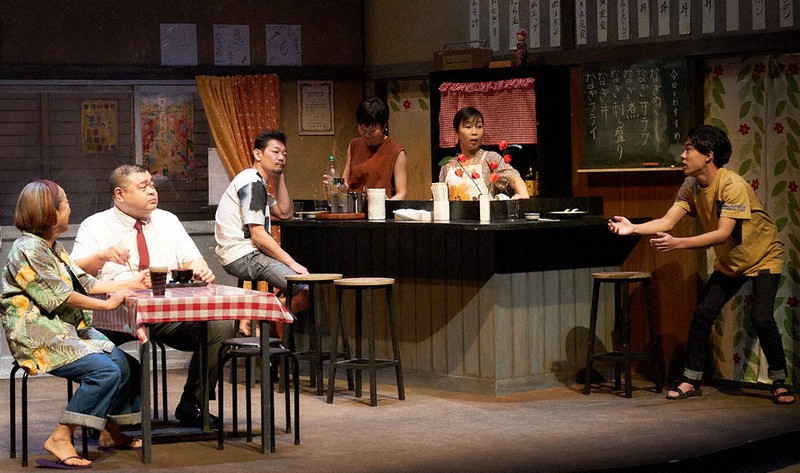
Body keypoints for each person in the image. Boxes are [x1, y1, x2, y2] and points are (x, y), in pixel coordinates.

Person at [608, 124, 794, 404]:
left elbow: (722, 234)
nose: (683, 156)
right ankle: (691, 379)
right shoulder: (691, 185)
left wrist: (677, 244)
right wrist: (633, 228)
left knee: (761, 318)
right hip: (731, 262)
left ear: (708, 155)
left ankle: (779, 381)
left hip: (764, 255)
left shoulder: (732, 186)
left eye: (688, 149)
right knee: (703, 314)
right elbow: (667, 221)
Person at [71, 164, 235, 428]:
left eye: (152, 185)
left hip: (164, 314)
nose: (152, 191)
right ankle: (105, 418)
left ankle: (193, 404)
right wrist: (101, 256)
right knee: (110, 358)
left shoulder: (168, 220)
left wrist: (200, 268)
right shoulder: (95, 225)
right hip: (111, 316)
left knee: (220, 327)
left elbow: (192, 258)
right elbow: (76, 272)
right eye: (143, 186)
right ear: (119, 194)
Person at [1, 180, 147, 468]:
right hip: (39, 336)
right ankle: (60, 436)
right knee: (105, 371)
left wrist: (130, 284)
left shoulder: (52, 247)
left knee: (127, 366)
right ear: (50, 212)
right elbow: (62, 295)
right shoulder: (28, 249)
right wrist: (108, 304)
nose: (70, 208)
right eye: (66, 203)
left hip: (67, 330)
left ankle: (110, 430)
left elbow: (85, 283)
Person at [215, 129, 309, 315]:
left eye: (284, 154)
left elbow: (284, 212)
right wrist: (292, 263)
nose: (281, 157)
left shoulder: (256, 182)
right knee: (304, 289)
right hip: (244, 256)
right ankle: (251, 318)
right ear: (257, 154)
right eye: (275, 152)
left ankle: (253, 318)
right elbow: (258, 235)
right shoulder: (251, 182)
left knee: (302, 287)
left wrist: (279, 177)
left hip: (243, 254)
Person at [439, 107, 529, 201]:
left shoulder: (490, 158)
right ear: (456, 132)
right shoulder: (447, 165)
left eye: (479, 127)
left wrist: (523, 194)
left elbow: (513, 178)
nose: (474, 132)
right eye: (468, 127)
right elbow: (440, 197)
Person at [329, 97, 408, 200]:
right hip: (354, 206)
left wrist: (386, 203)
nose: (367, 134)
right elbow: (346, 183)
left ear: (384, 125)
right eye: (362, 129)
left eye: (372, 130)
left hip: (380, 207)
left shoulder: (396, 152)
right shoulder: (354, 145)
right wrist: (336, 186)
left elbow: (402, 194)